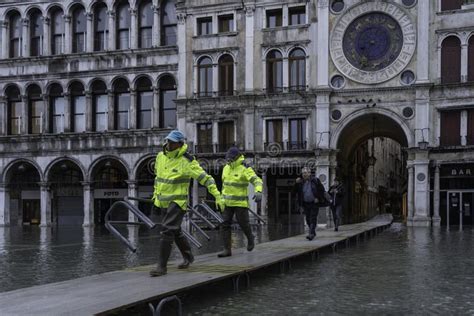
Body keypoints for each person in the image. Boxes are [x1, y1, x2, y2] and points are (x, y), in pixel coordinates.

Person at [150, 130, 224, 277]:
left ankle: (161, 266)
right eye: (167, 141)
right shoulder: (160, 157)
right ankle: (188, 256)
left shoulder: (188, 161)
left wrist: (218, 196)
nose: (168, 144)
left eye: (172, 142)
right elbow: (158, 180)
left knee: (167, 230)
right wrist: (155, 198)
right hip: (162, 201)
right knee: (175, 230)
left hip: (178, 202)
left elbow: (206, 179)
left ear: (180, 144)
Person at [217, 147, 263, 257]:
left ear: (237, 157)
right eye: (227, 159)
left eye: (230, 159)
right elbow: (224, 186)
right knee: (224, 224)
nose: (228, 161)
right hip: (227, 203)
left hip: (240, 203)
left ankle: (250, 238)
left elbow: (256, 180)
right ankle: (227, 250)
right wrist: (220, 200)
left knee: (243, 224)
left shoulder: (245, 168)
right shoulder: (225, 168)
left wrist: (258, 191)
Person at [294, 167, 326, 240]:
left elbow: (322, 190)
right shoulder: (300, 182)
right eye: (303, 173)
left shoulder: (315, 180)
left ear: (309, 173)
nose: (304, 174)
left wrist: (318, 198)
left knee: (313, 218)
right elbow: (294, 192)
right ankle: (313, 231)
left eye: (305, 173)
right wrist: (296, 184)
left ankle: (311, 234)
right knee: (308, 219)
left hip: (314, 203)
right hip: (305, 203)